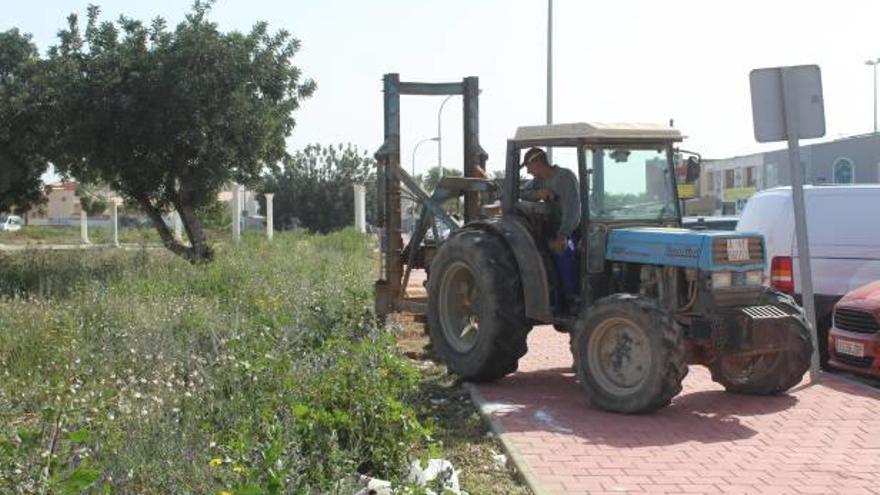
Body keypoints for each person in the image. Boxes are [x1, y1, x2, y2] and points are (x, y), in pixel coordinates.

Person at [520, 147, 581, 311]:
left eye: (528, 166)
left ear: (537, 162)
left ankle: (572, 298)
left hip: (571, 229)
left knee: (564, 251)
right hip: (553, 229)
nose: (527, 171)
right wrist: (539, 194)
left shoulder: (565, 177)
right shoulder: (539, 181)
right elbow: (523, 193)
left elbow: (573, 211)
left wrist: (562, 235)